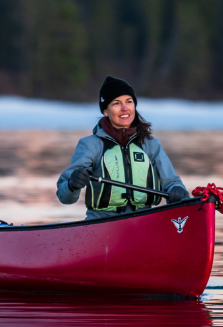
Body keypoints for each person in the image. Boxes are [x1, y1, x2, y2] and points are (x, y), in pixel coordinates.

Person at [57, 75, 188, 219]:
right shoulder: (90, 145)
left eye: (129, 101)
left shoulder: (151, 144)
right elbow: (65, 197)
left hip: (145, 222)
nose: (125, 108)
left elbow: (172, 183)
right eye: (116, 103)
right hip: (101, 224)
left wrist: (177, 190)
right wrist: (72, 185)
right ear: (106, 111)